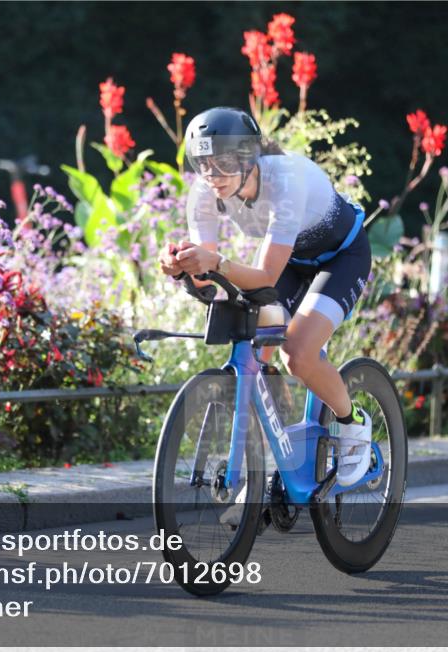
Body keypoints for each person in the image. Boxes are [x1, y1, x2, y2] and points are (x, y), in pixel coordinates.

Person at [158, 106, 374, 487]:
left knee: (298, 353)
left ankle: (352, 424)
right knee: (255, 348)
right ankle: (270, 462)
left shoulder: (285, 181)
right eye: (203, 163)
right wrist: (182, 268)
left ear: (249, 157)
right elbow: (210, 280)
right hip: (291, 258)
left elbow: (263, 279)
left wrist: (216, 262)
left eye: (223, 162)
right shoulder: (204, 195)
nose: (213, 175)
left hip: (341, 256)